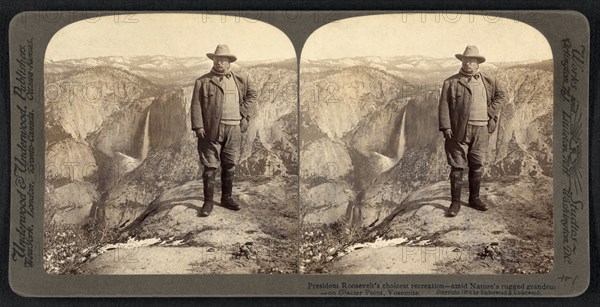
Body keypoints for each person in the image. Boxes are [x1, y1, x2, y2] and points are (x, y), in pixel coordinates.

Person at [438, 45, 505, 217]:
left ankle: (474, 199)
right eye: (466, 60)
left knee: (476, 165)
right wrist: (446, 127)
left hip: (482, 129)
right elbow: (444, 105)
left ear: (478, 64)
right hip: (459, 131)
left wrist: (490, 113)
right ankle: (455, 203)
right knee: (457, 166)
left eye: (472, 61)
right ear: (462, 62)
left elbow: (501, 96)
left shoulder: (488, 81)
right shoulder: (451, 82)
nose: (468, 64)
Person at [190, 44, 256, 217]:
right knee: (210, 166)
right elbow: (196, 105)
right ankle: (208, 202)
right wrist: (198, 126)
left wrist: (243, 114)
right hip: (211, 130)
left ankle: (226, 198)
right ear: (213, 60)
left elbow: (252, 95)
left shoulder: (240, 79)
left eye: (223, 60)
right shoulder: (202, 81)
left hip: (234, 128)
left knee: (229, 164)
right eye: (217, 59)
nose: (219, 62)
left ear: (229, 63)